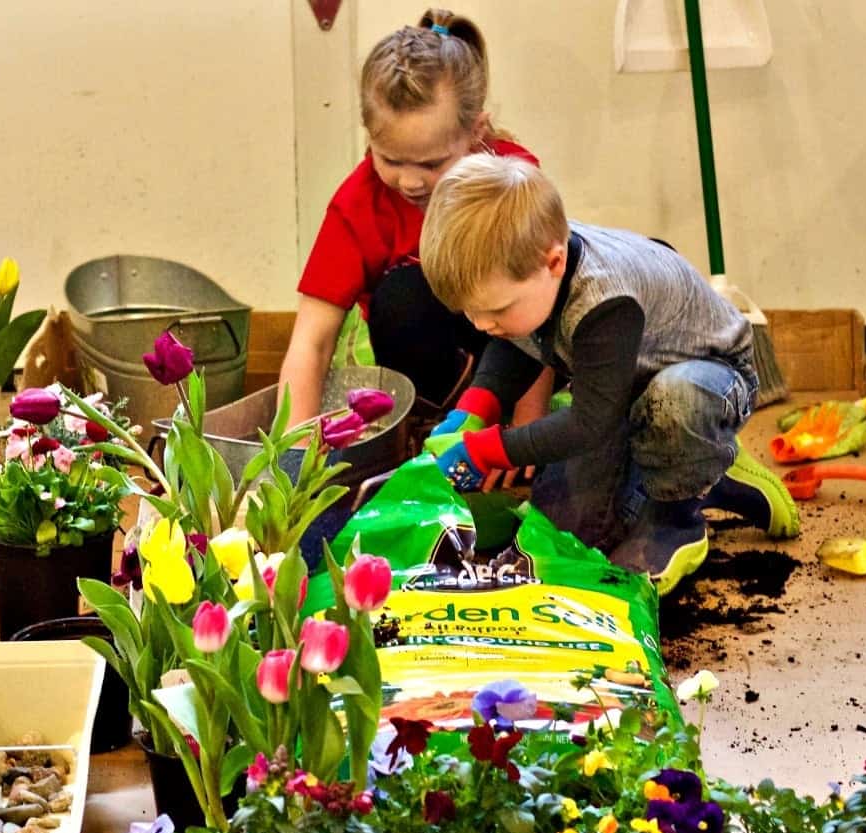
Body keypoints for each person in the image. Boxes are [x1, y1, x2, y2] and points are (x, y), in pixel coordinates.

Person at [419, 154, 799, 595]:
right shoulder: (531, 269)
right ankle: (700, 472)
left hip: (710, 381)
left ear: (555, 263)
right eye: (472, 311)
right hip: (622, 387)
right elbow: (516, 343)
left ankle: (680, 511)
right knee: (574, 535)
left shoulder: (604, 301)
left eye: (497, 310)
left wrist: (490, 451)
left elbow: (589, 422)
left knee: (674, 402)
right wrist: (476, 405)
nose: (482, 324)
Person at [278, 8, 551, 431]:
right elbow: (312, 342)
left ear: (476, 131)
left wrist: (529, 431)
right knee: (404, 296)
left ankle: (497, 412)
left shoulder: (509, 181)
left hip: (513, 356)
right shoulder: (359, 203)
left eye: (431, 163)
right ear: (370, 136)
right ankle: (432, 422)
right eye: (390, 159)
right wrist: (292, 453)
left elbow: (544, 313)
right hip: (426, 370)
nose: (409, 182)